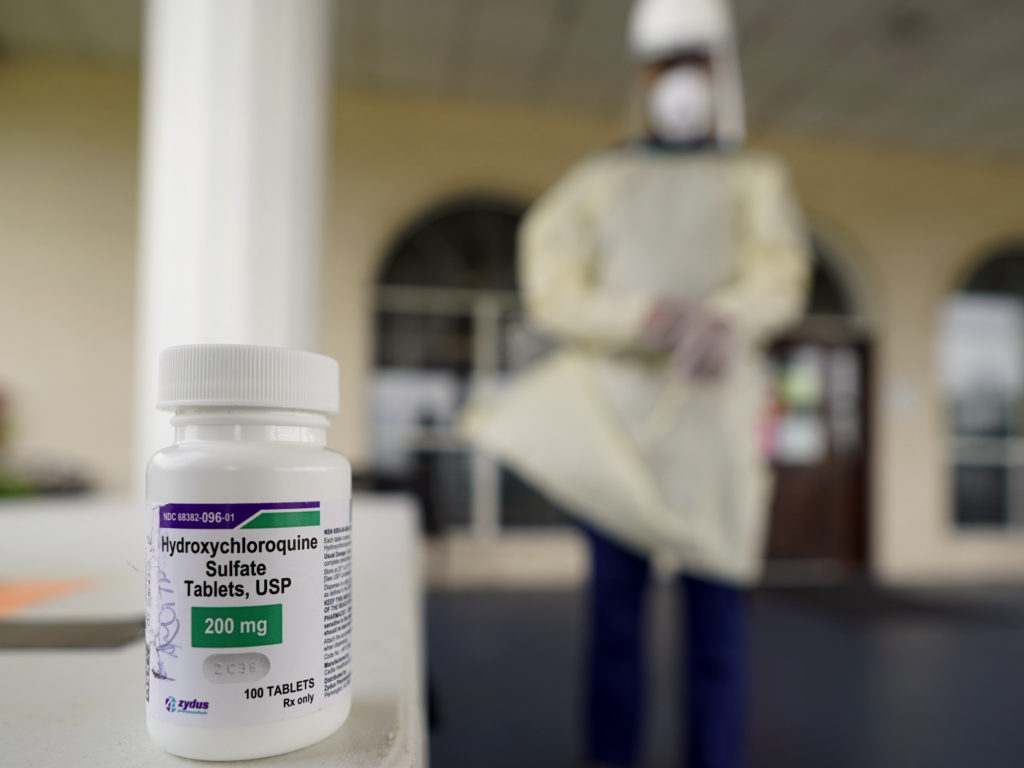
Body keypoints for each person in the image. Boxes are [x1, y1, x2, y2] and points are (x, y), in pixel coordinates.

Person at [460, 0, 810, 766]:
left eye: (697, 66)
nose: (681, 85)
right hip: (615, 427)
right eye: (666, 68)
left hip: (711, 423)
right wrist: (643, 316)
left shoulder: (755, 178)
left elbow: (780, 274)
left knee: (717, 622)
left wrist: (726, 319)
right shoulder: (598, 180)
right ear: (642, 78)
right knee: (615, 624)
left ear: (722, 77)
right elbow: (552, 285)